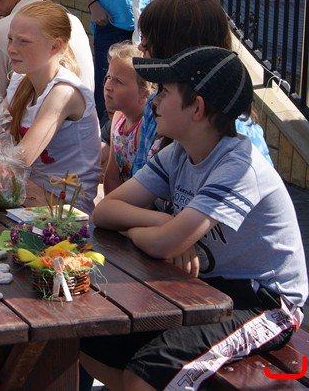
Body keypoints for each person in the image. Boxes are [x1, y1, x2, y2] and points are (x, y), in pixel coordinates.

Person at [82, 46, 307, 390]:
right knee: (92, 339)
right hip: (207, 289)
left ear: (197, 108)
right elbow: (107, 210)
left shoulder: (238, 167)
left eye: (164, 92)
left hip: (264, 303)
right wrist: (165, 225)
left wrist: (159, 233)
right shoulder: (178, 154)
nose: (154, 101)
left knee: (148, 370)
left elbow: (163, 245)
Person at [0, 1, 102, 213]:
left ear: (55, 46)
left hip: (64, 212)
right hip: (25, 195)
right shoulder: (20, 82)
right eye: (10, 39)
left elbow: (21, 159)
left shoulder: (64, 92)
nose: (11, 49)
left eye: (23, 42)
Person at [131, 0, 272, 176]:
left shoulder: (233, 135)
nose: (141, 46)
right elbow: (139, 177)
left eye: (148, 38)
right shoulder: (154, 105)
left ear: (177, 48)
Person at [102, 41, 151, 194]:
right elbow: (112, 176)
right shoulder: (118, 119)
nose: (108, 86)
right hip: (119, 200)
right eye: (109, 77)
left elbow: (147, 189)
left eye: (118, 81)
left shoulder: (144, 127)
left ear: (144, 94)